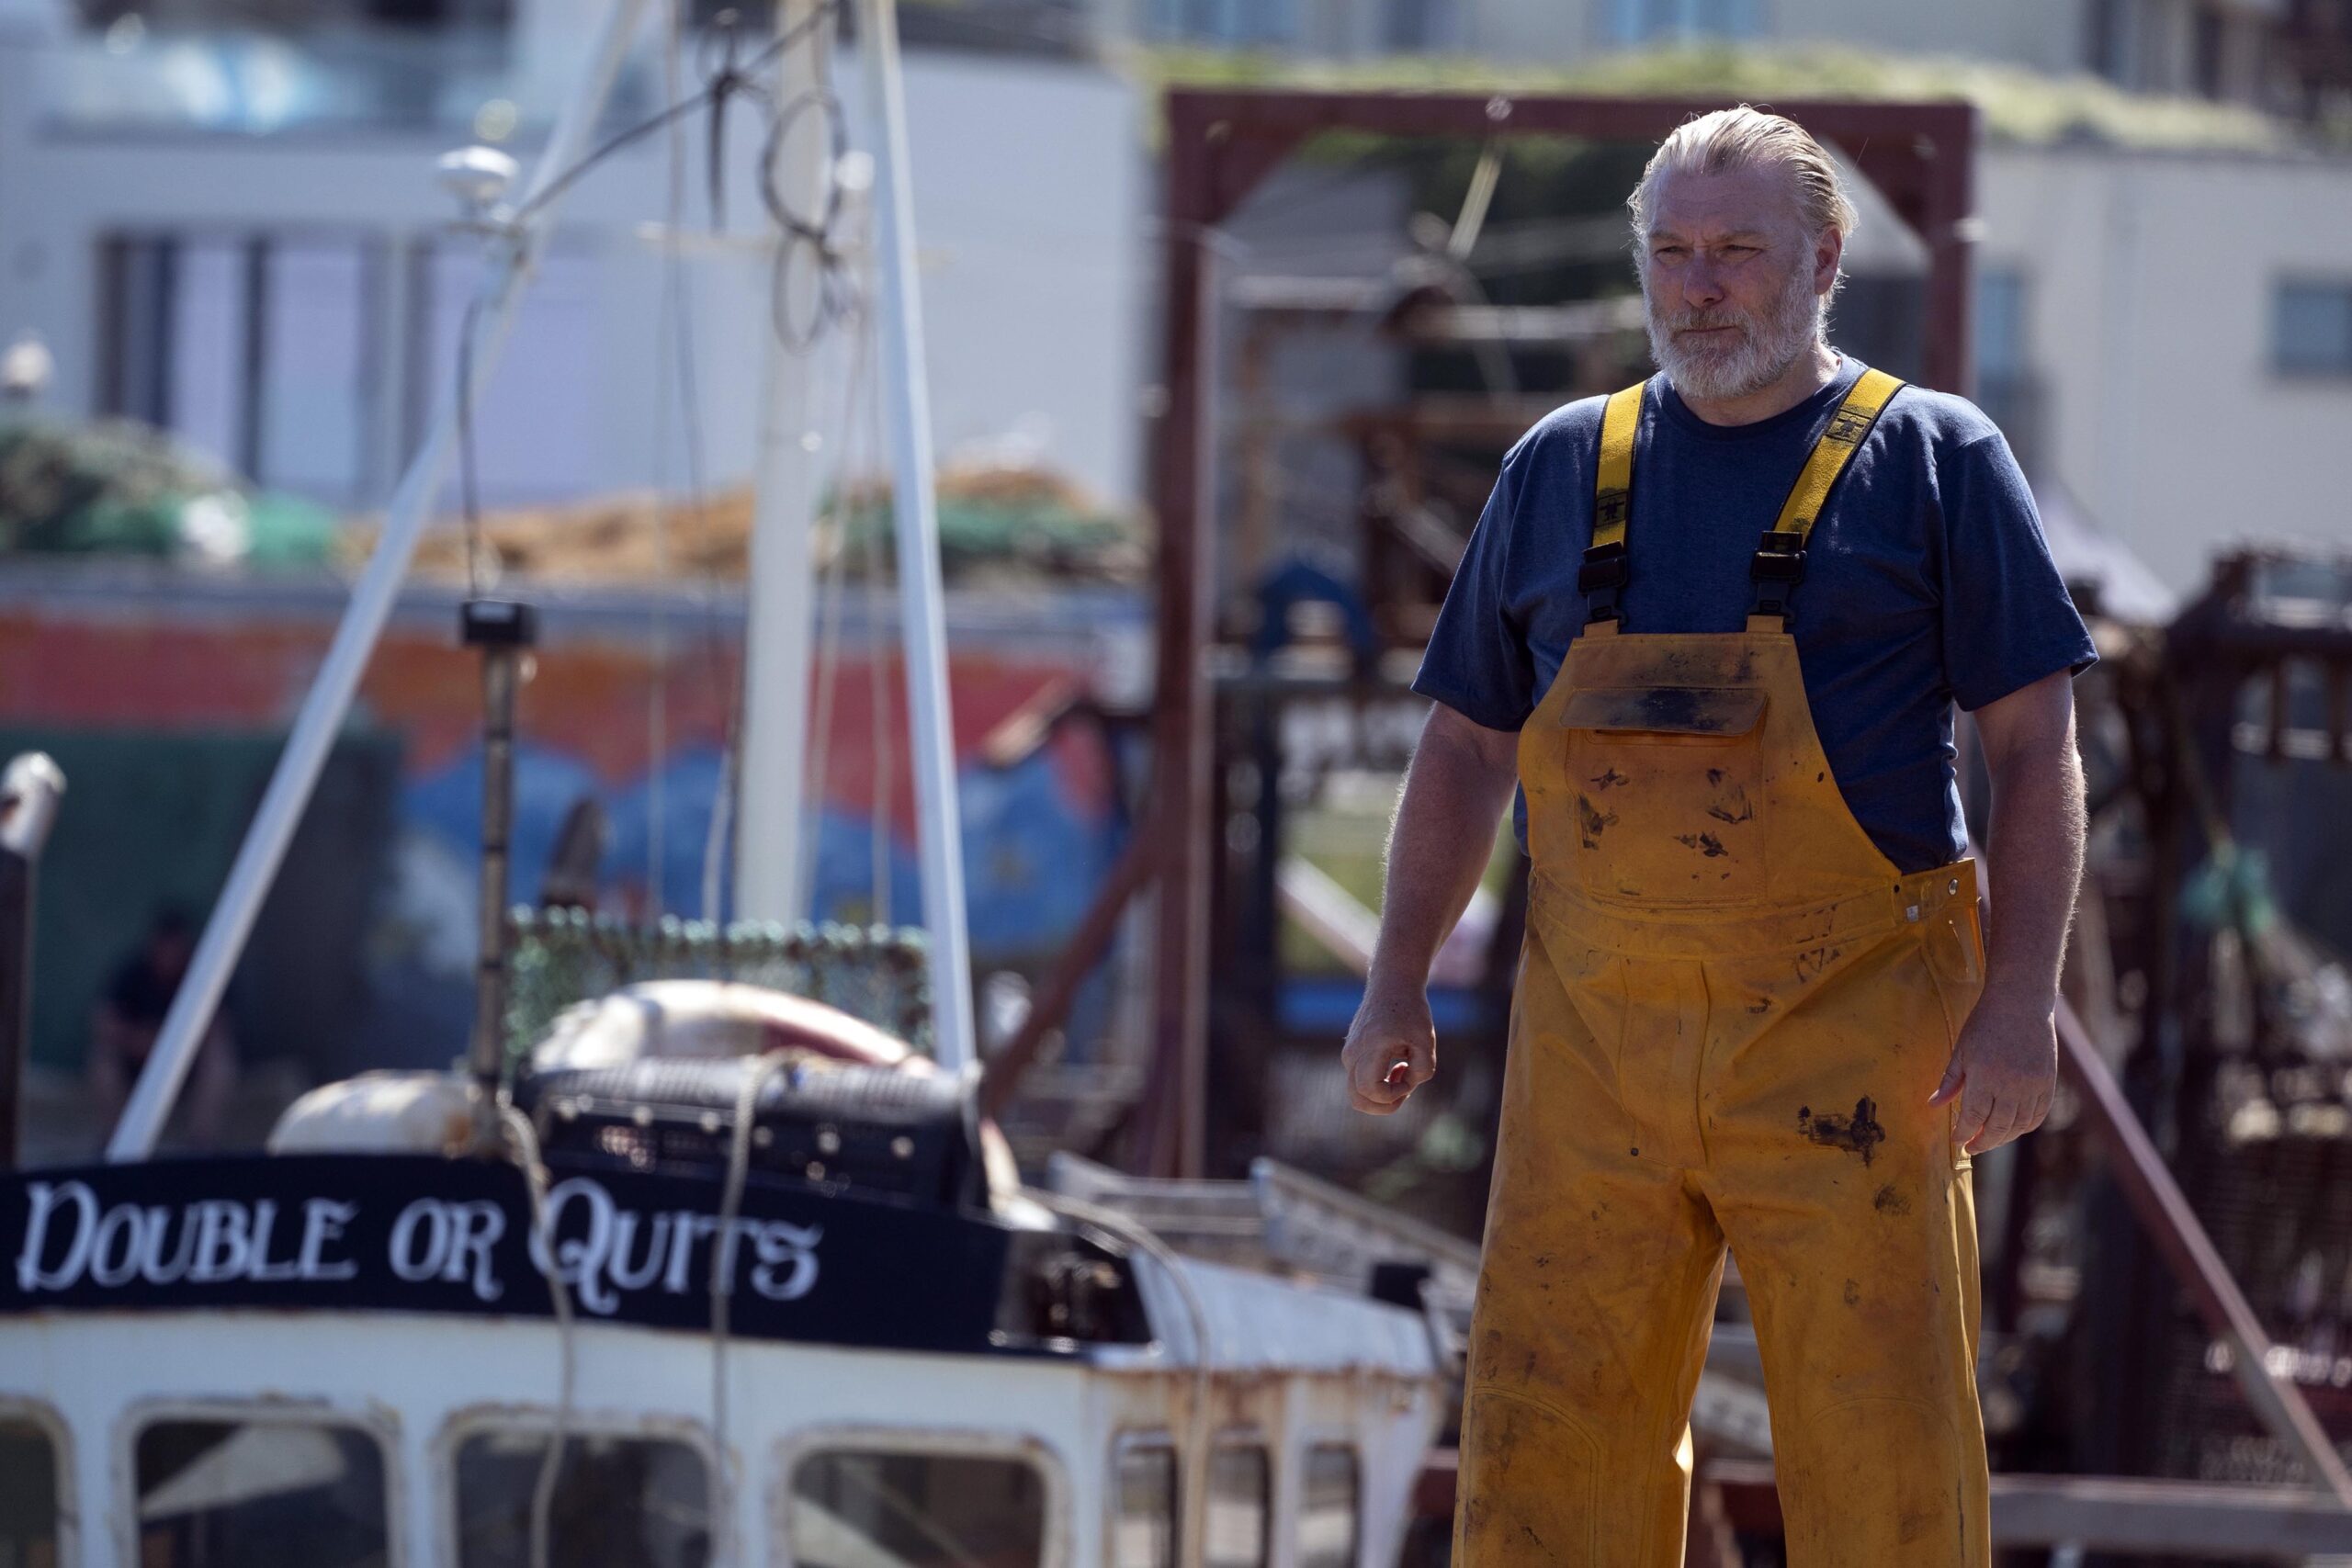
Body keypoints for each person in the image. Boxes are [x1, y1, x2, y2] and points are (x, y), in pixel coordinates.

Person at [1341, 107, 2092, 1565]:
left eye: (1737, 251)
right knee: (1548, 1440)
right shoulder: (1562, 464)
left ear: (1823, 261)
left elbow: (2033, 743)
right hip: (1596, 1042)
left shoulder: (1937, 458)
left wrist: (2022, 1007)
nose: (1700, 285)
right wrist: (1393, 973)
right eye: (1672, 253)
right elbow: (1464, 744)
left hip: (1860, 1042)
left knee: (1884, 1451)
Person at [88, 908, 238, 1148]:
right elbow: (104, 1023)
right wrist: (142, 1042)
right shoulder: (132, 972)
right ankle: (115, 1142)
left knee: (220, 1059)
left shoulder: (203, 974)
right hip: (136, 1068)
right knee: (103, 1061)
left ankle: (202, 1144)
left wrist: (174, 1047)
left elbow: (219, 1028)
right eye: (165, 946)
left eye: (176, 947)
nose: (169, 955)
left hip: (187, 1070)